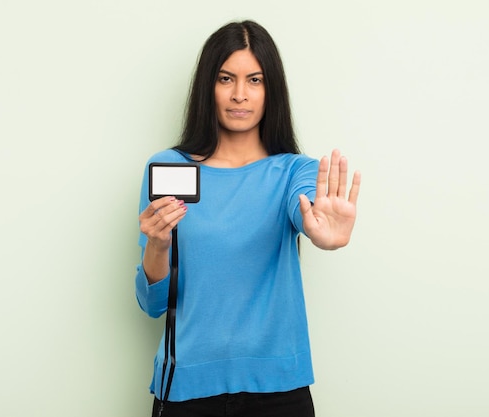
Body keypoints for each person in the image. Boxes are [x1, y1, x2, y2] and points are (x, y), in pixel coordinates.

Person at [135, 20, 361, 417]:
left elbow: (307, 210)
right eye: (226, 79)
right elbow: (152, 303)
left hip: (280, 392)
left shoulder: (295, 172)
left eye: (254, 80)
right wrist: (157, 245)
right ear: (209, 86)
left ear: (271, 89)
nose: (240, 95)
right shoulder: (169, 168)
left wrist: (323, 232)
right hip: (187, 387)